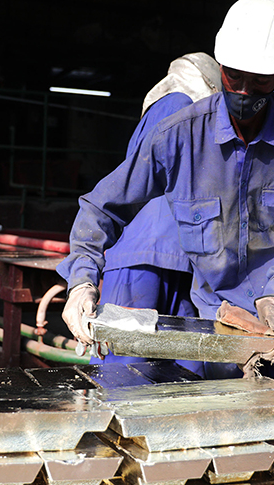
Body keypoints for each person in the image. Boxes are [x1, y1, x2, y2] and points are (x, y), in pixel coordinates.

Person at [56, 0, 274, 433]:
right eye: (233, 76)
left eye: (260, 81)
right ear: (220, 65)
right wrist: (81, 281)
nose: (244, 92)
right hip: (222, 322)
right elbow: (100, 207)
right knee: (227, 441)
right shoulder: (177, 136)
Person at [91, 52, 223, 376]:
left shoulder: (167, 105)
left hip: (147, 257)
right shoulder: (179, 104)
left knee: (123, 376)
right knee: (184, 378)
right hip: (181, 258)